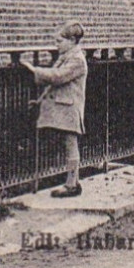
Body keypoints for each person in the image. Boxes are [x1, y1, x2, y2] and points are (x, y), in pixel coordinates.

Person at [24, 21, 89, 198]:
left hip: (70, 107)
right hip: (64, 106)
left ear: (73, 40)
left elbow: (58, 77)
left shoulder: (76, 60)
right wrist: (38, 101)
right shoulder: (66, 57)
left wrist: (35, 71)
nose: (56, 45)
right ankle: (73, 182)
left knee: (70, 143)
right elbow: (52, 86)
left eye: (60, 41)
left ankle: (71, 184)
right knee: (68, 143)